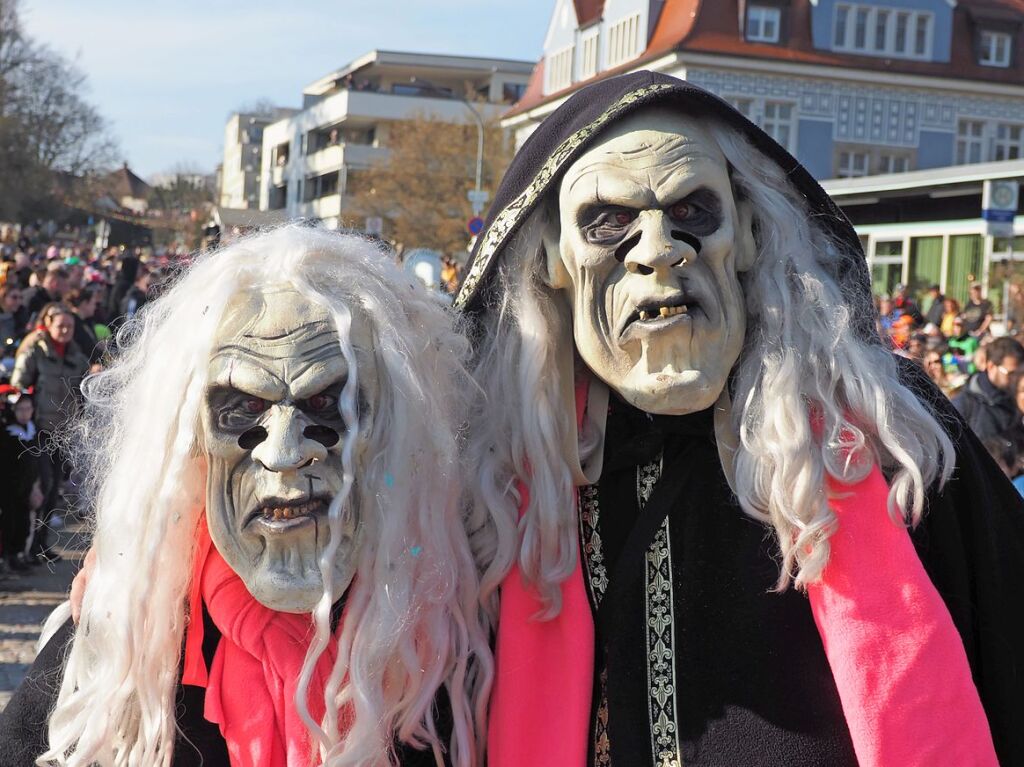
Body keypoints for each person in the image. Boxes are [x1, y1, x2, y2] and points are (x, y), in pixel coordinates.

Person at [457, 72, 1022, 766]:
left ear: (750, 235)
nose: (657, 248)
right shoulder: (499, 475)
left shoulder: (887, 426)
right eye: (609, 222)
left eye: (693, 211)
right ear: (552, 261)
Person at [0, 227, 491, 766]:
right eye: (242, 409)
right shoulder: (127, 640)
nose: (281, 454)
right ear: (189, 440)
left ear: (397, 431)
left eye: (330, 402)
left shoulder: (446, 642)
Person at [10, 304, 89, 561]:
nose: (65, 330)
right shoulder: (35, 350)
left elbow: (82, 389)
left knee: (54, 488)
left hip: (63, 431)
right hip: (38, 431)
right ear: (48, 325)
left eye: (70, 326)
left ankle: (41, 545)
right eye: (60, 326)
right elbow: (18, 386)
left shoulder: (76, 355)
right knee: (41, 487)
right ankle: (28, 546)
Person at [953, 336, 1024, 441]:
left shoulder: (1019, 397)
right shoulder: (964, 405)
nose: (1016, 379)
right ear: (991, 366)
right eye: (1011, 374)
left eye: (1020, 373)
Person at [1, 391, 41, 571]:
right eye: (20, 409)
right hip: (8, 489)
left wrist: (36, 486)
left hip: (27, 488)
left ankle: (19, 554)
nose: (25, 413)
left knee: (25, 523)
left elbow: (37, 463)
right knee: (9, 522)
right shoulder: (7, 434)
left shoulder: (33, 431)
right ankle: (7, 556)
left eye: (28, 409)